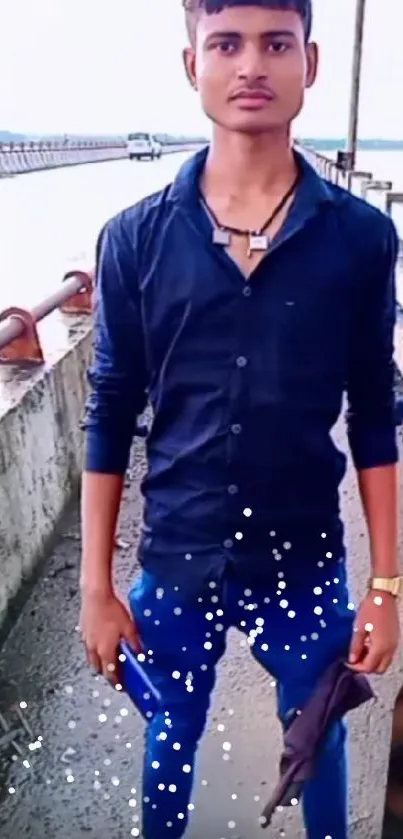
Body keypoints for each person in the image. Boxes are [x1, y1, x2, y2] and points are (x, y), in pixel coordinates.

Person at [79, 2, 401, 837]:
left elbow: (374, 412)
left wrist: (386, 585)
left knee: (319, 734)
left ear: (310, 62)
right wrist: (96, 588)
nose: (250, 65)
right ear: (193, 64)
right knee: (168, 742)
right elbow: (110, 412)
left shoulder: (361, 241)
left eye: (274, 43)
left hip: (303, 557)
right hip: (177, 554)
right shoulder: (134, 241)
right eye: (225, 43)